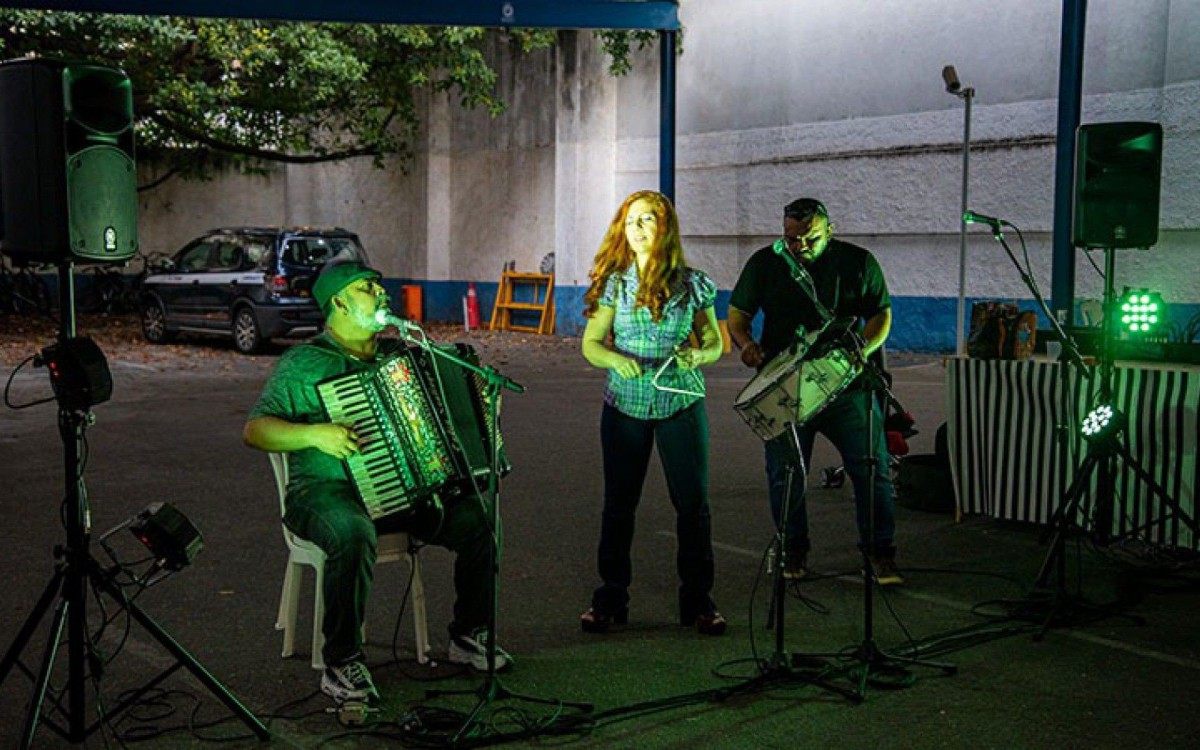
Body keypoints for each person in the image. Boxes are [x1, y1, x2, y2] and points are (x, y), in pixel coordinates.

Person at [243, 261, 506, 706]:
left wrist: (479, 408)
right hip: (324, 494)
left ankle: (468, 634)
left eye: (379, 287)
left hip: (403, 491)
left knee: (478, 519)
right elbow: (255, 429)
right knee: (352, 531)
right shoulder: (304, 362)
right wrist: (314, 434)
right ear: (339, 302)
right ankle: (342, 661)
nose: (382, 295)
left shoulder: (399, 357)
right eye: (367, 288)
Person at [727, 198, 903, 585]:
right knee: (785, 474)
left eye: (810, 239)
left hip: (847, 384)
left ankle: (880, 553)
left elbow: (881, 313)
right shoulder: (765, 263)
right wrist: (745, 344)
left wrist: (864, 348)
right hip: (786, 388)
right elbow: (737, 314)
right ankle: (793, 551)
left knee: (871, 469)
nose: (800, 247)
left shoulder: (858, 262)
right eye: (792, 239)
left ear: (830, 230)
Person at [579, 190, 728, 636]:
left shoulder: (694, 284)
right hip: (625, 406)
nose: (637, 229)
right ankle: (610, 598)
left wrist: (698, 358)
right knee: (619, 505)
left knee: (693, 505)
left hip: (680, 401)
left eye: (647, 220)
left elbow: (716, 343)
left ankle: (698, 602)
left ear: (666, 228)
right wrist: (613, 359)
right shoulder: (615, 283)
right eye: (630, 222)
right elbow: (590, 344)